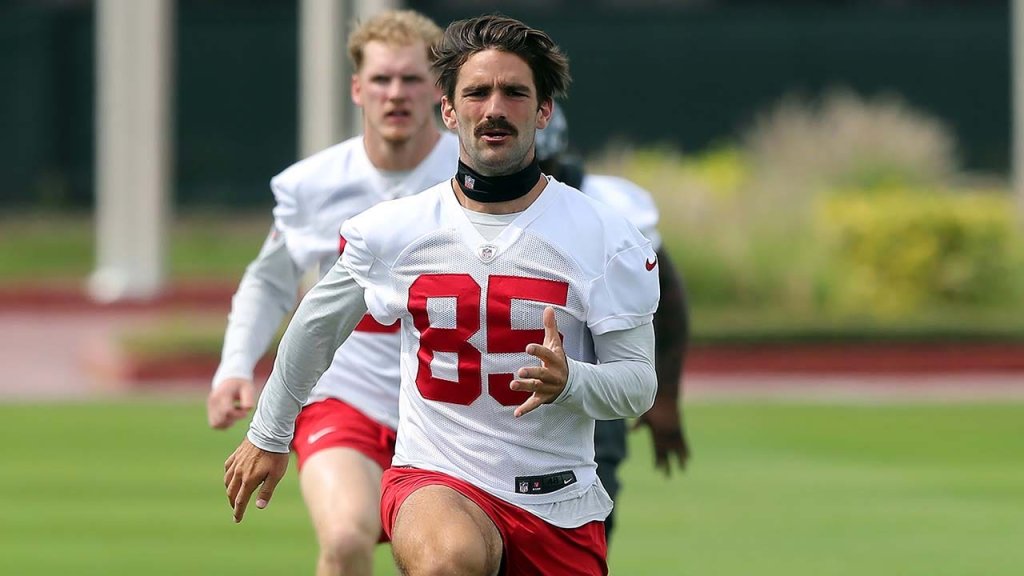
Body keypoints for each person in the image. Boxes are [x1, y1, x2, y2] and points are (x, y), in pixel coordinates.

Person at [224, 14, 659, 575]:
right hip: (437, 477)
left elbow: (637, 386)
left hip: (557, 502)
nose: (494, 108)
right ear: (449, 110)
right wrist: (270, 433)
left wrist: (572, 381)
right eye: (476, 92)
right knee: (445, 562)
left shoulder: (605, 235)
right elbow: (314, 327)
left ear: (544, 109)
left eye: (515, 92)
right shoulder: (394, 230)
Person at [206, 10, 457, 576]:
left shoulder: (474, 176)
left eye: (412, 79)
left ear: (439, 90)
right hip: (345, 395)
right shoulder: (313, 184)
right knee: (346, 539)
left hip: (451, 406)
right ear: (357, 88)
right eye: (382, 80)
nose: (396, 94)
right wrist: (234, 366)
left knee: (442, 563)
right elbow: (269, 279)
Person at [534, 104, 691, 543]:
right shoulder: (463, 206)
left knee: (587, 527)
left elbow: (670, 306)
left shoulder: (610, 211)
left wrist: (664, 397)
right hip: (494, 393)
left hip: (594, 391)